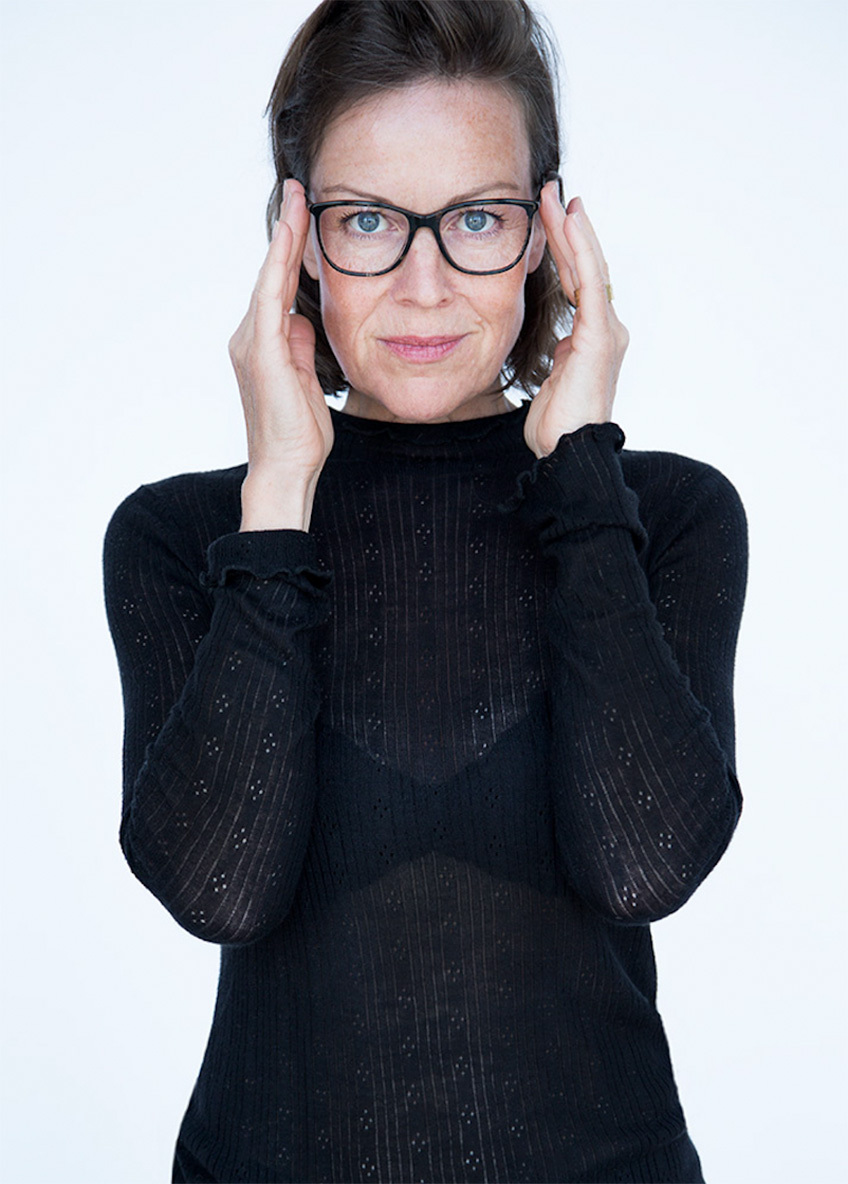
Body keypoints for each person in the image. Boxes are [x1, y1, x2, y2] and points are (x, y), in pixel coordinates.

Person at [103, 2, 747, 1181]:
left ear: (545, 234)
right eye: (365, 220)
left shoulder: (662, 515)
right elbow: (218, 890)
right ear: (295, 238)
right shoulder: (186, 535)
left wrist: (583, 478)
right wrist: (278, 493)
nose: (423, 284)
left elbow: (641, 865)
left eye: (476, 219)